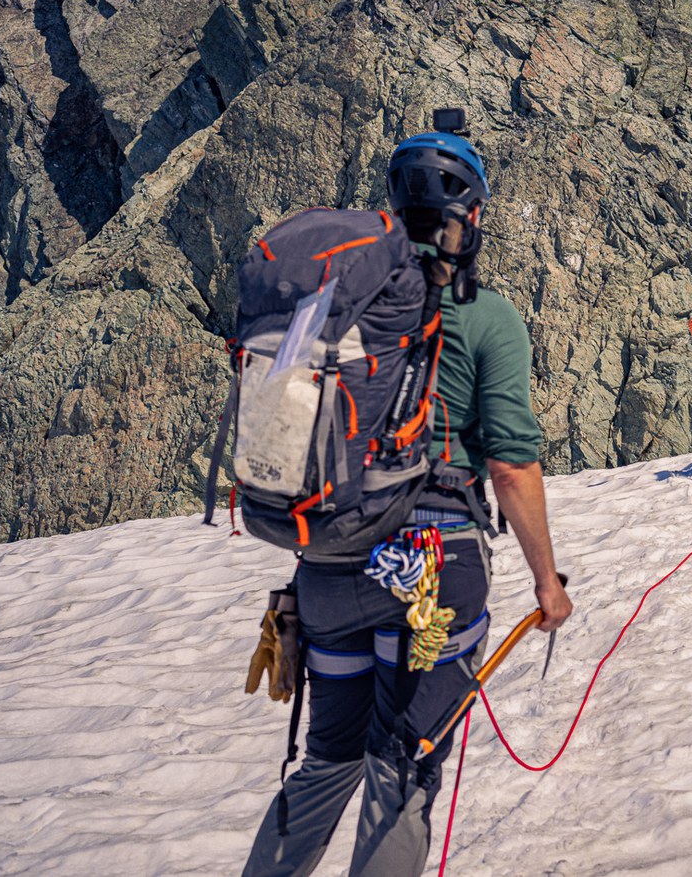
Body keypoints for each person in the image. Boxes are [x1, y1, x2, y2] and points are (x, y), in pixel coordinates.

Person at [243, 122, 574, 877]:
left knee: (327, 761)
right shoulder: (488, 318)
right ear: (475, 216)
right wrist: (547, 583)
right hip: (436, 568)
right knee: (402, 768)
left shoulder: (339, 306)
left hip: (327, 568)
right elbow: (513, 464)